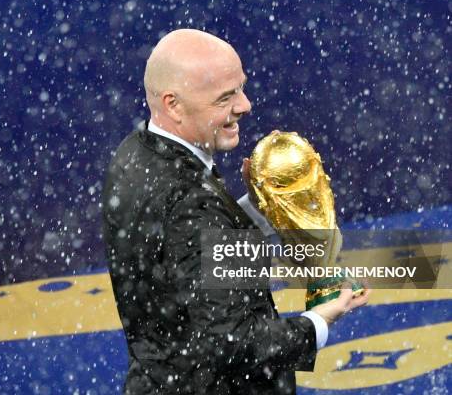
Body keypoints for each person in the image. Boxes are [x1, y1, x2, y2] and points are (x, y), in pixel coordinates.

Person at [102, 29, 370, 394]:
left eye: (241, 88)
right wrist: (319, 320)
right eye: (225, 97)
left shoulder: (135, 154)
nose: (245, 105)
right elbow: (234, 343)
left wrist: (254, 209)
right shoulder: (191, 200)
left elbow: (182, 256)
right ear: (173, 105)